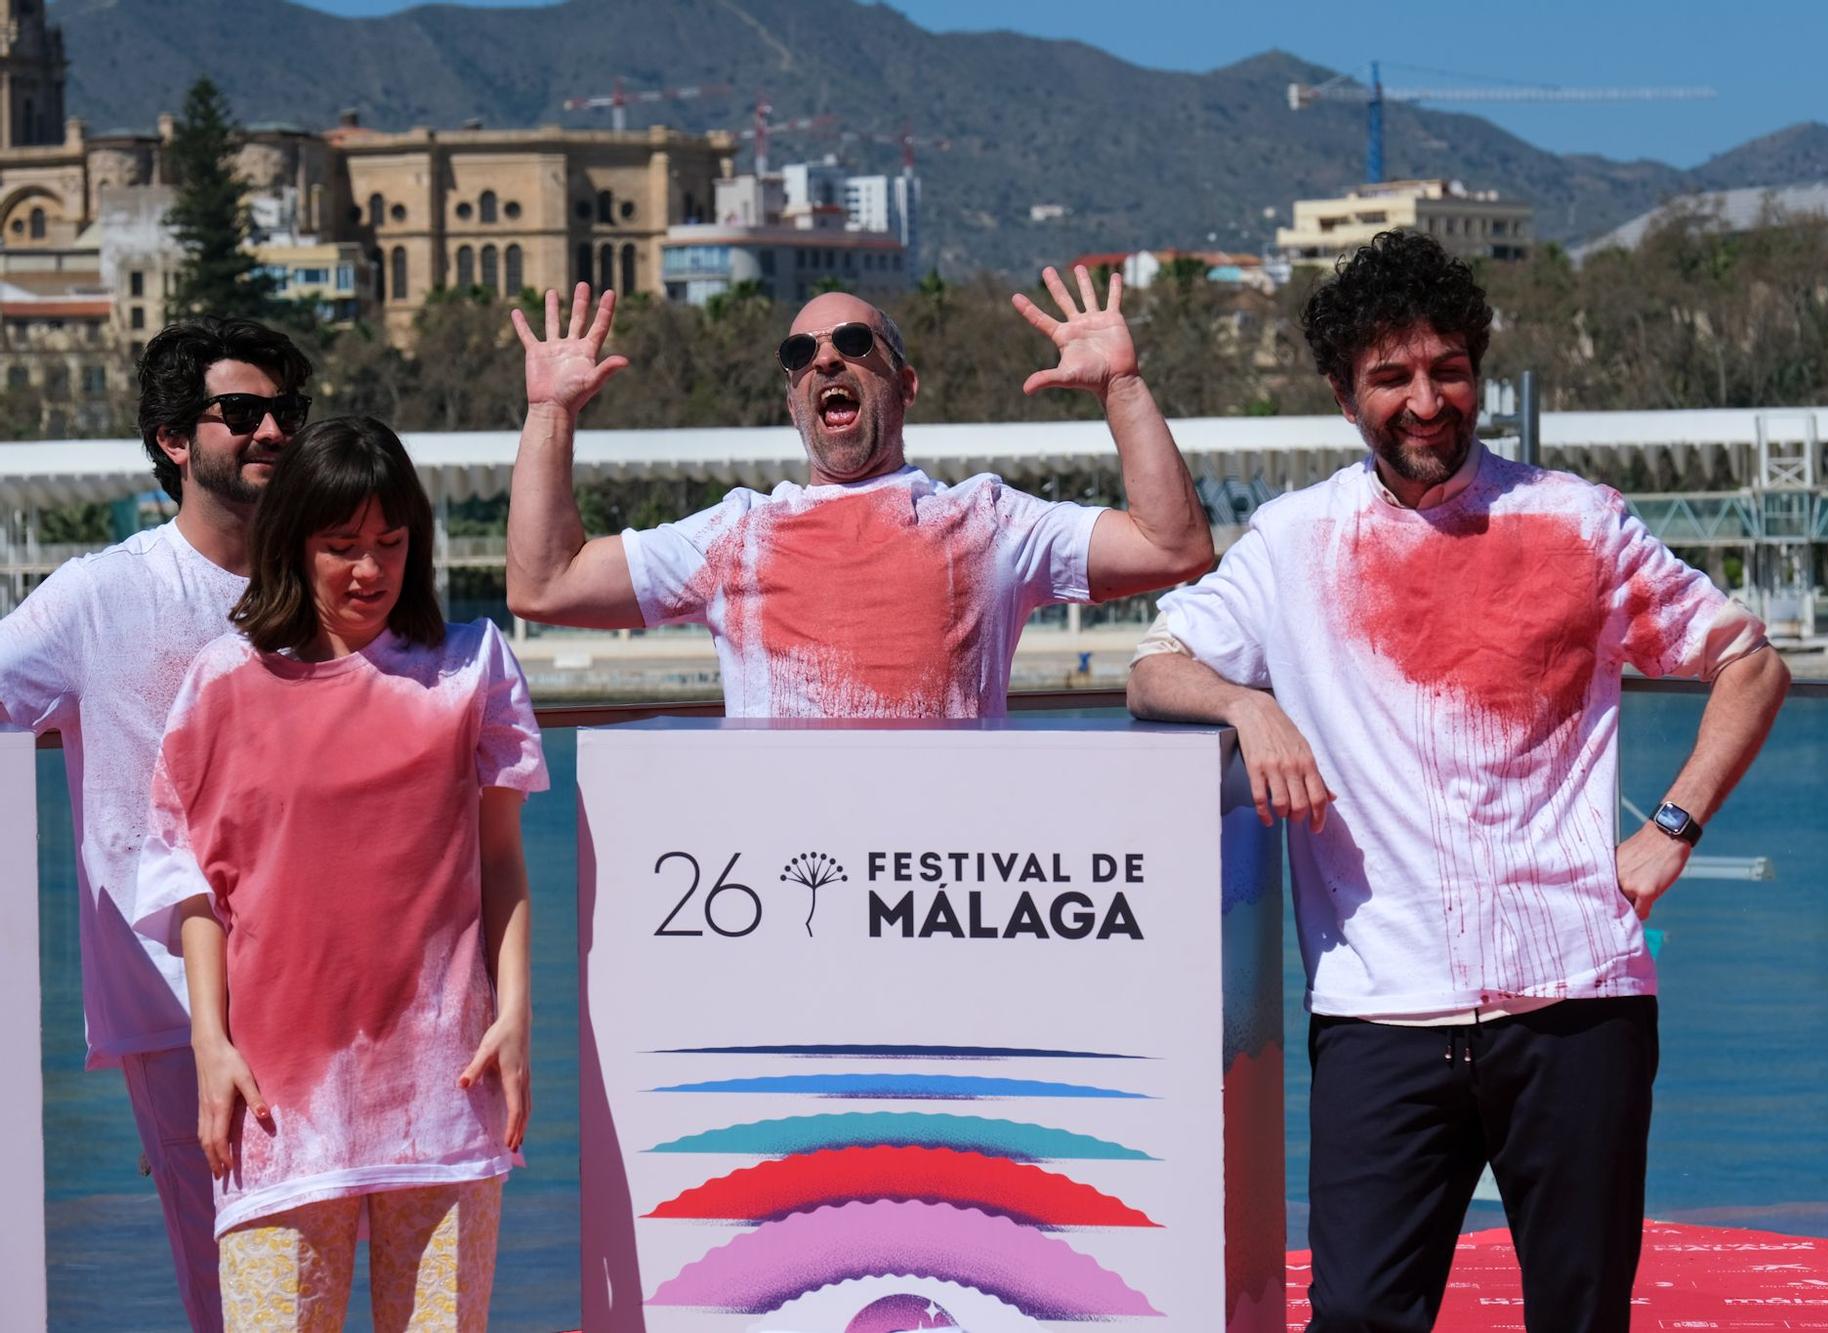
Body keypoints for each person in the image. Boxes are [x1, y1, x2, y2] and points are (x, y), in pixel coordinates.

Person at [1127, 230, 1790, 1333]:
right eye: (1390, 377)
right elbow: (1152, 669)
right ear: (1346, 396)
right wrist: (1251, 706)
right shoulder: (1291, 543)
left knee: (1578, 1317)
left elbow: (1749, 663)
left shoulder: (1576, 522)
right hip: (1380, 1003)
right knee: (1354, 1318)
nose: (1425, 400)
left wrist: (1671, 827)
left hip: (1575, 997)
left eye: (1446, 370)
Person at [133, 417, 544, 1330]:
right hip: (278, 1106)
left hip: (447, 1091)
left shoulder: (471, 668)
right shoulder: (221, 683)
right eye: (342, 546)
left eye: (391, 543)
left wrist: (515, 1015)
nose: (370, 569)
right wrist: (211, 1043)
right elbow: (187, 881)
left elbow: (504, 860)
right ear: (293, 546)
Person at [0, 316, 312, 1330]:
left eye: (285, 412)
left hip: (331, 983)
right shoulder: (101, 595)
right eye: (242, 412)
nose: (271, 431)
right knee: (229, 1289)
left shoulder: (334, 585)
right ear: (175, 439)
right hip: (175, 1006)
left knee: (343, 1274)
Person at [504, 275, 1213, 716]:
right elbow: (545, 583)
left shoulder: (987, 522)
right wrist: (550, 413)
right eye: (799, 354)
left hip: (940, 902)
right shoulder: (735, 537)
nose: (825, 358)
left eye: (851, 340)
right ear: (792, 401)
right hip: (793, 908)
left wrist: (1122, 387)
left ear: (905, 386)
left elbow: (1172, 545)